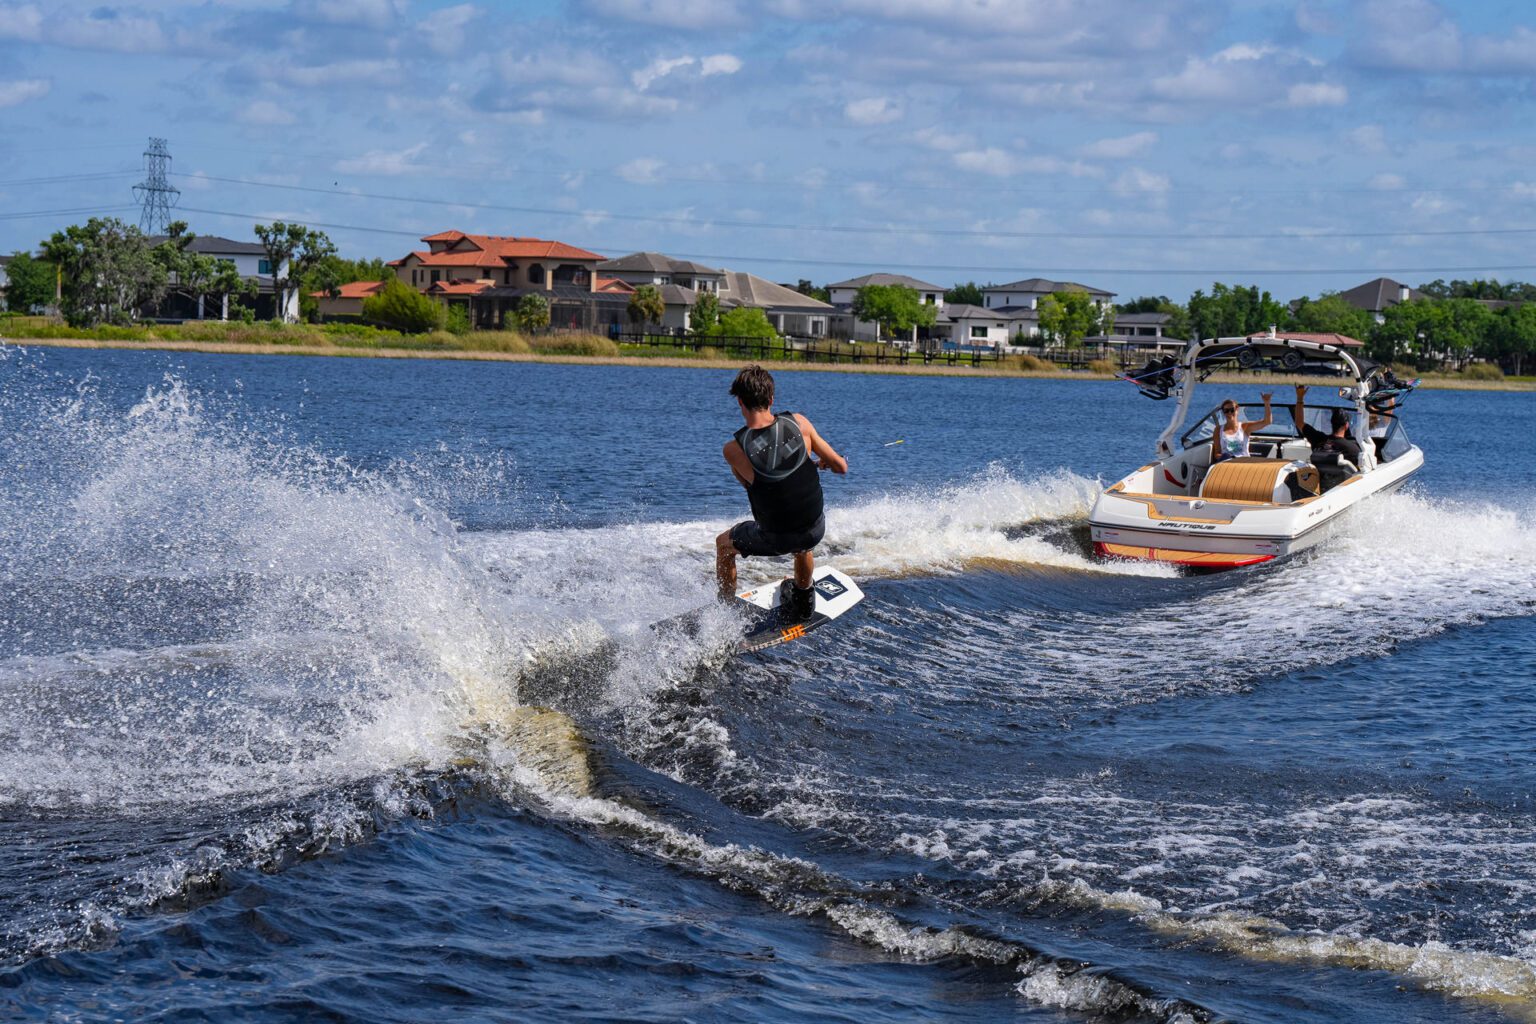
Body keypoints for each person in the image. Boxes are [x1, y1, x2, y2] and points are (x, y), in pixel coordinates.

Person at [716, 365, 847, 620]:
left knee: (723, 545)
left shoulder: (733, 450)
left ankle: (724, 618)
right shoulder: (800, 423)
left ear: (740, 401)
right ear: (771, 399)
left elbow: (756, 487)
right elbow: (840, 466)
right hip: (814, 529)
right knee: (802, 538)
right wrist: (819, 463)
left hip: (777, 537)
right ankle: (804, 597)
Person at [1291, 385, 1363, 464]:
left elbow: (1299, 422)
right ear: (1346, 426)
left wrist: (1299, 398)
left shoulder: (1318, 439)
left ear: (1331, 423)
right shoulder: (1352, 449)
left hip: (1317, 476)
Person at [1209, 393, 1273, 462]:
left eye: (1232, 410)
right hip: (1226, 463)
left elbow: (1267, 421)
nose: (1229, 413)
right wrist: (1226, 457)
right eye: (1226, 411)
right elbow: (1217, 453)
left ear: (1237, 409)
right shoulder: (1218, 430)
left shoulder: (1244, 427)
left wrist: (1267, 403)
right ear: (1223, 412)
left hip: (1243, 463)